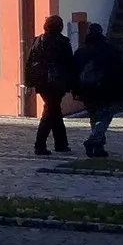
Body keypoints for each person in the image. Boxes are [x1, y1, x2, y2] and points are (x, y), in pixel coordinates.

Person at [73, 22, 123, 157]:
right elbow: (120, 72)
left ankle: (98, 146)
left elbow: (74, 72)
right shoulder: (110, 51)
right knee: (104, 117)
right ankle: (93, 141)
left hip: (86, 90)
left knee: (94, 117)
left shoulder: (81, 52)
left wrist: (75, 90)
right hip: (106, 90)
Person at [24, 14, 75, 155]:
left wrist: (29, 82)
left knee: (54, 110)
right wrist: (71, 83)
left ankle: (61, 143)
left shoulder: (38, 40)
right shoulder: (63, 42)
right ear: (60, 27)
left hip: (42, 82)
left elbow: (29, 63)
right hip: (57, 82)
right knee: (50, 112)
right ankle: (40, 144)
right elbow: (69, 64)